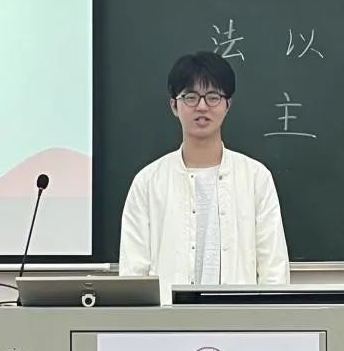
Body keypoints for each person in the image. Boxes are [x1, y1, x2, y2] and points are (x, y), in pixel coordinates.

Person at [119, 51, 290, 303]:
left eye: (213, 97)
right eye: (190, 97)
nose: (201, 106)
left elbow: (273, 269)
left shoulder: (256, 178)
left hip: (240, 320)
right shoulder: (148, 182)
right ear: (174, 106)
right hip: (165, 322)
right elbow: (133, 273)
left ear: (227, 105)